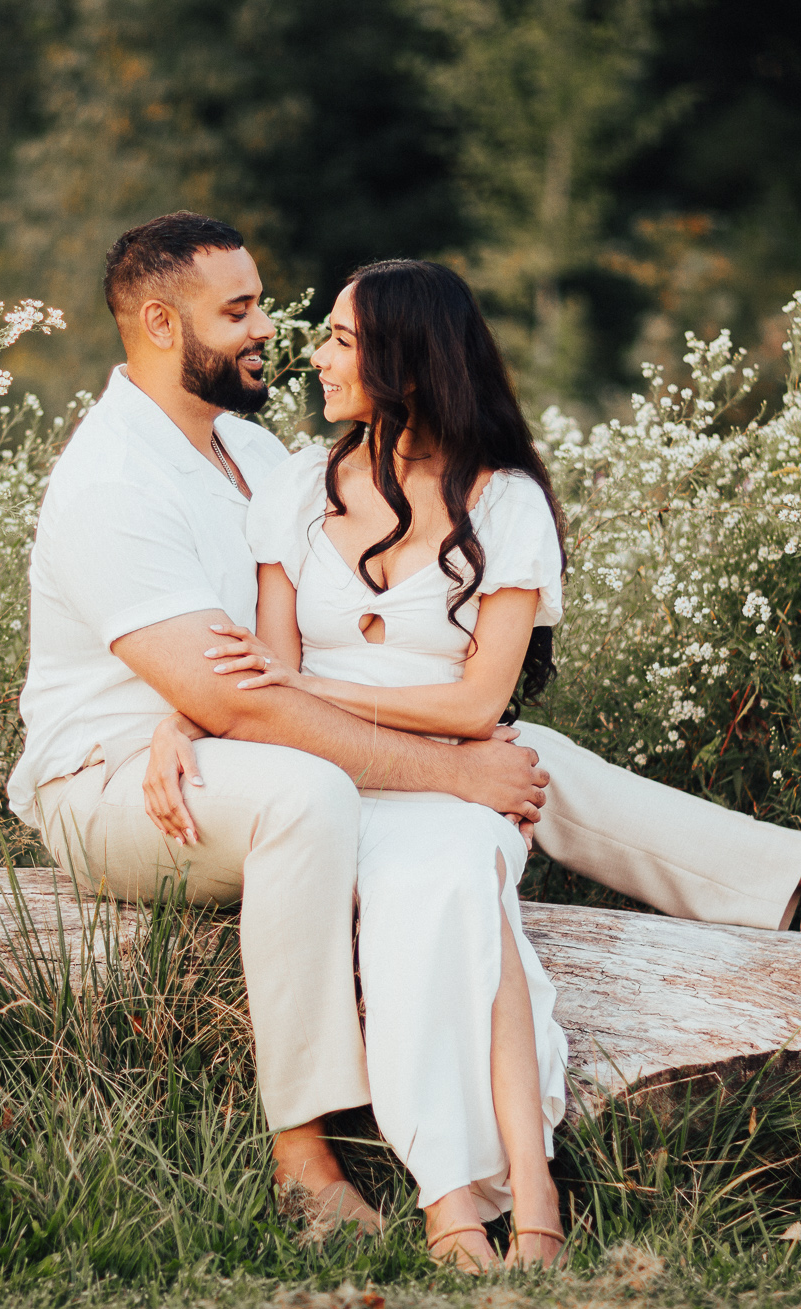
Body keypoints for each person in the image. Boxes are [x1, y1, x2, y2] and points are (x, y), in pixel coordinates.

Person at [6, 211, 801, 1246]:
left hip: (213, 744)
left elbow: (256, 646)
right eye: (240, 309)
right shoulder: (112, 479)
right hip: (118, 781)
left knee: (517, 757)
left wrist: (212, 715)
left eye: (264, 301)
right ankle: (300, 1154)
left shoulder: (247, 449)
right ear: (161, 324)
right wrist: (414, 765)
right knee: (321, 792)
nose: (273, 328)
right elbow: (246, 690)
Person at [143, 259, 573, 1269]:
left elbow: (476, 705)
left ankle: (492, 1198)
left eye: (340, 338)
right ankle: (477, 1198)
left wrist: (301, 693)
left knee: (456, 873)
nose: (316, 354)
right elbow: (266, 666)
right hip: (329, 778)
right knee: (462, 916)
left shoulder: (508, 503)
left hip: (445, 772)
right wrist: (189, 715)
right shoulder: (297, 485)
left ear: (406, 362)